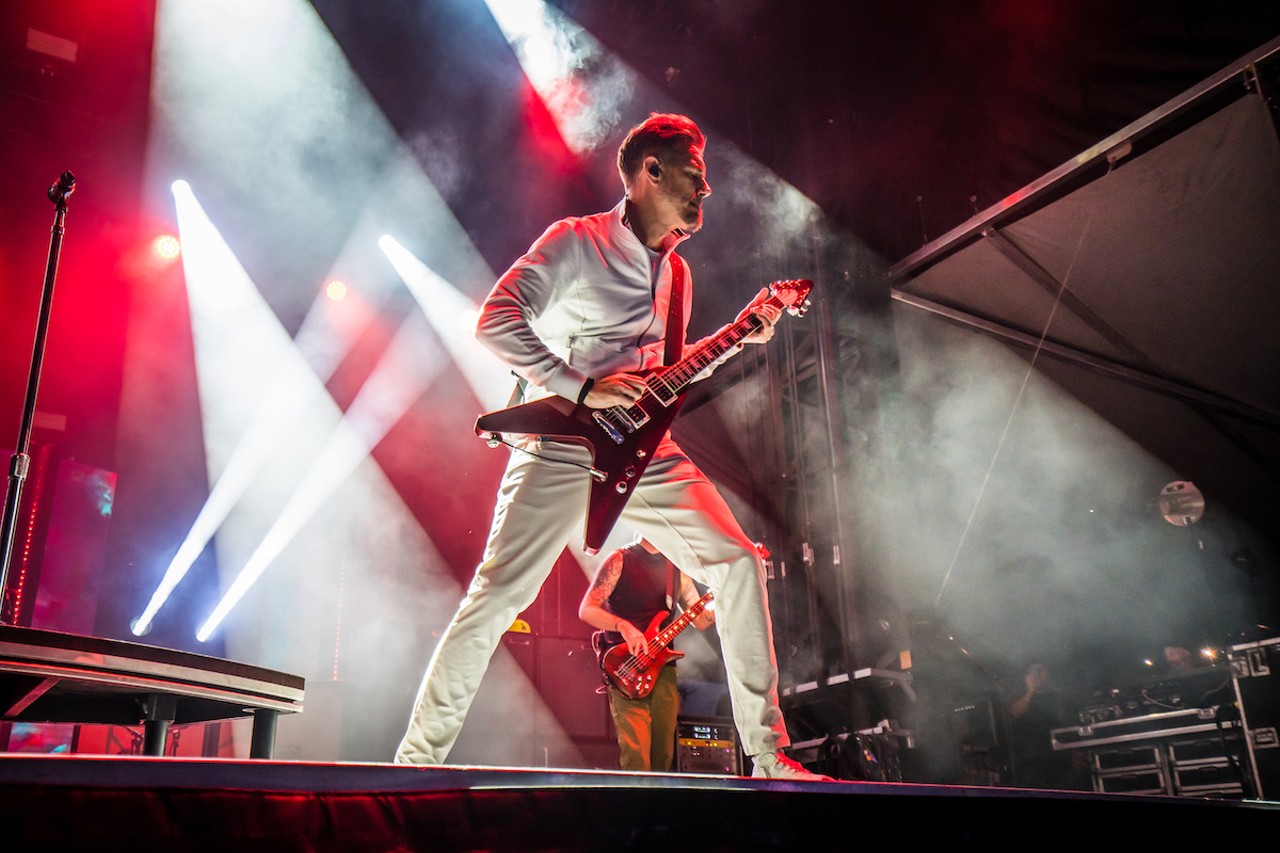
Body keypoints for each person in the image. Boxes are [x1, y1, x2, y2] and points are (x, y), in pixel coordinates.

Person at [395, 112, 829, 781]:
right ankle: (410, 768)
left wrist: (745, 330)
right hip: (562, 445)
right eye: (695, 173)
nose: (706, 189)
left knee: (740, 563)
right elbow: (495, 319)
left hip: (643, 455)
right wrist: (582, 387)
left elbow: (665, 379)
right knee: (495, 598)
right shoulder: (576, 241)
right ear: (650, 173)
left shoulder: (678, 278)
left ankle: (770, 757)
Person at [579, 537, 716, 772]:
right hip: (626, 668)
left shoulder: (675, 567)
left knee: (663, 756)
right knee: (637, 758)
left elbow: (701, 621)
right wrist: (623, 626)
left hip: (663, 670)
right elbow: (587, 609)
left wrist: (721, 597)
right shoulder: (620, 559)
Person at [1006, 663, 1085, 790]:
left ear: (1048, 673)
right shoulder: (1019, 695)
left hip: (1060, 758)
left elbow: (1074, 724)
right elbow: (1013, 713)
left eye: (1040, 671)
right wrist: (1031, 691)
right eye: (1033, 671)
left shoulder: (1060, 696)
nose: (1037, 675)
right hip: (1030, 761)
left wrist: (1078, 753)